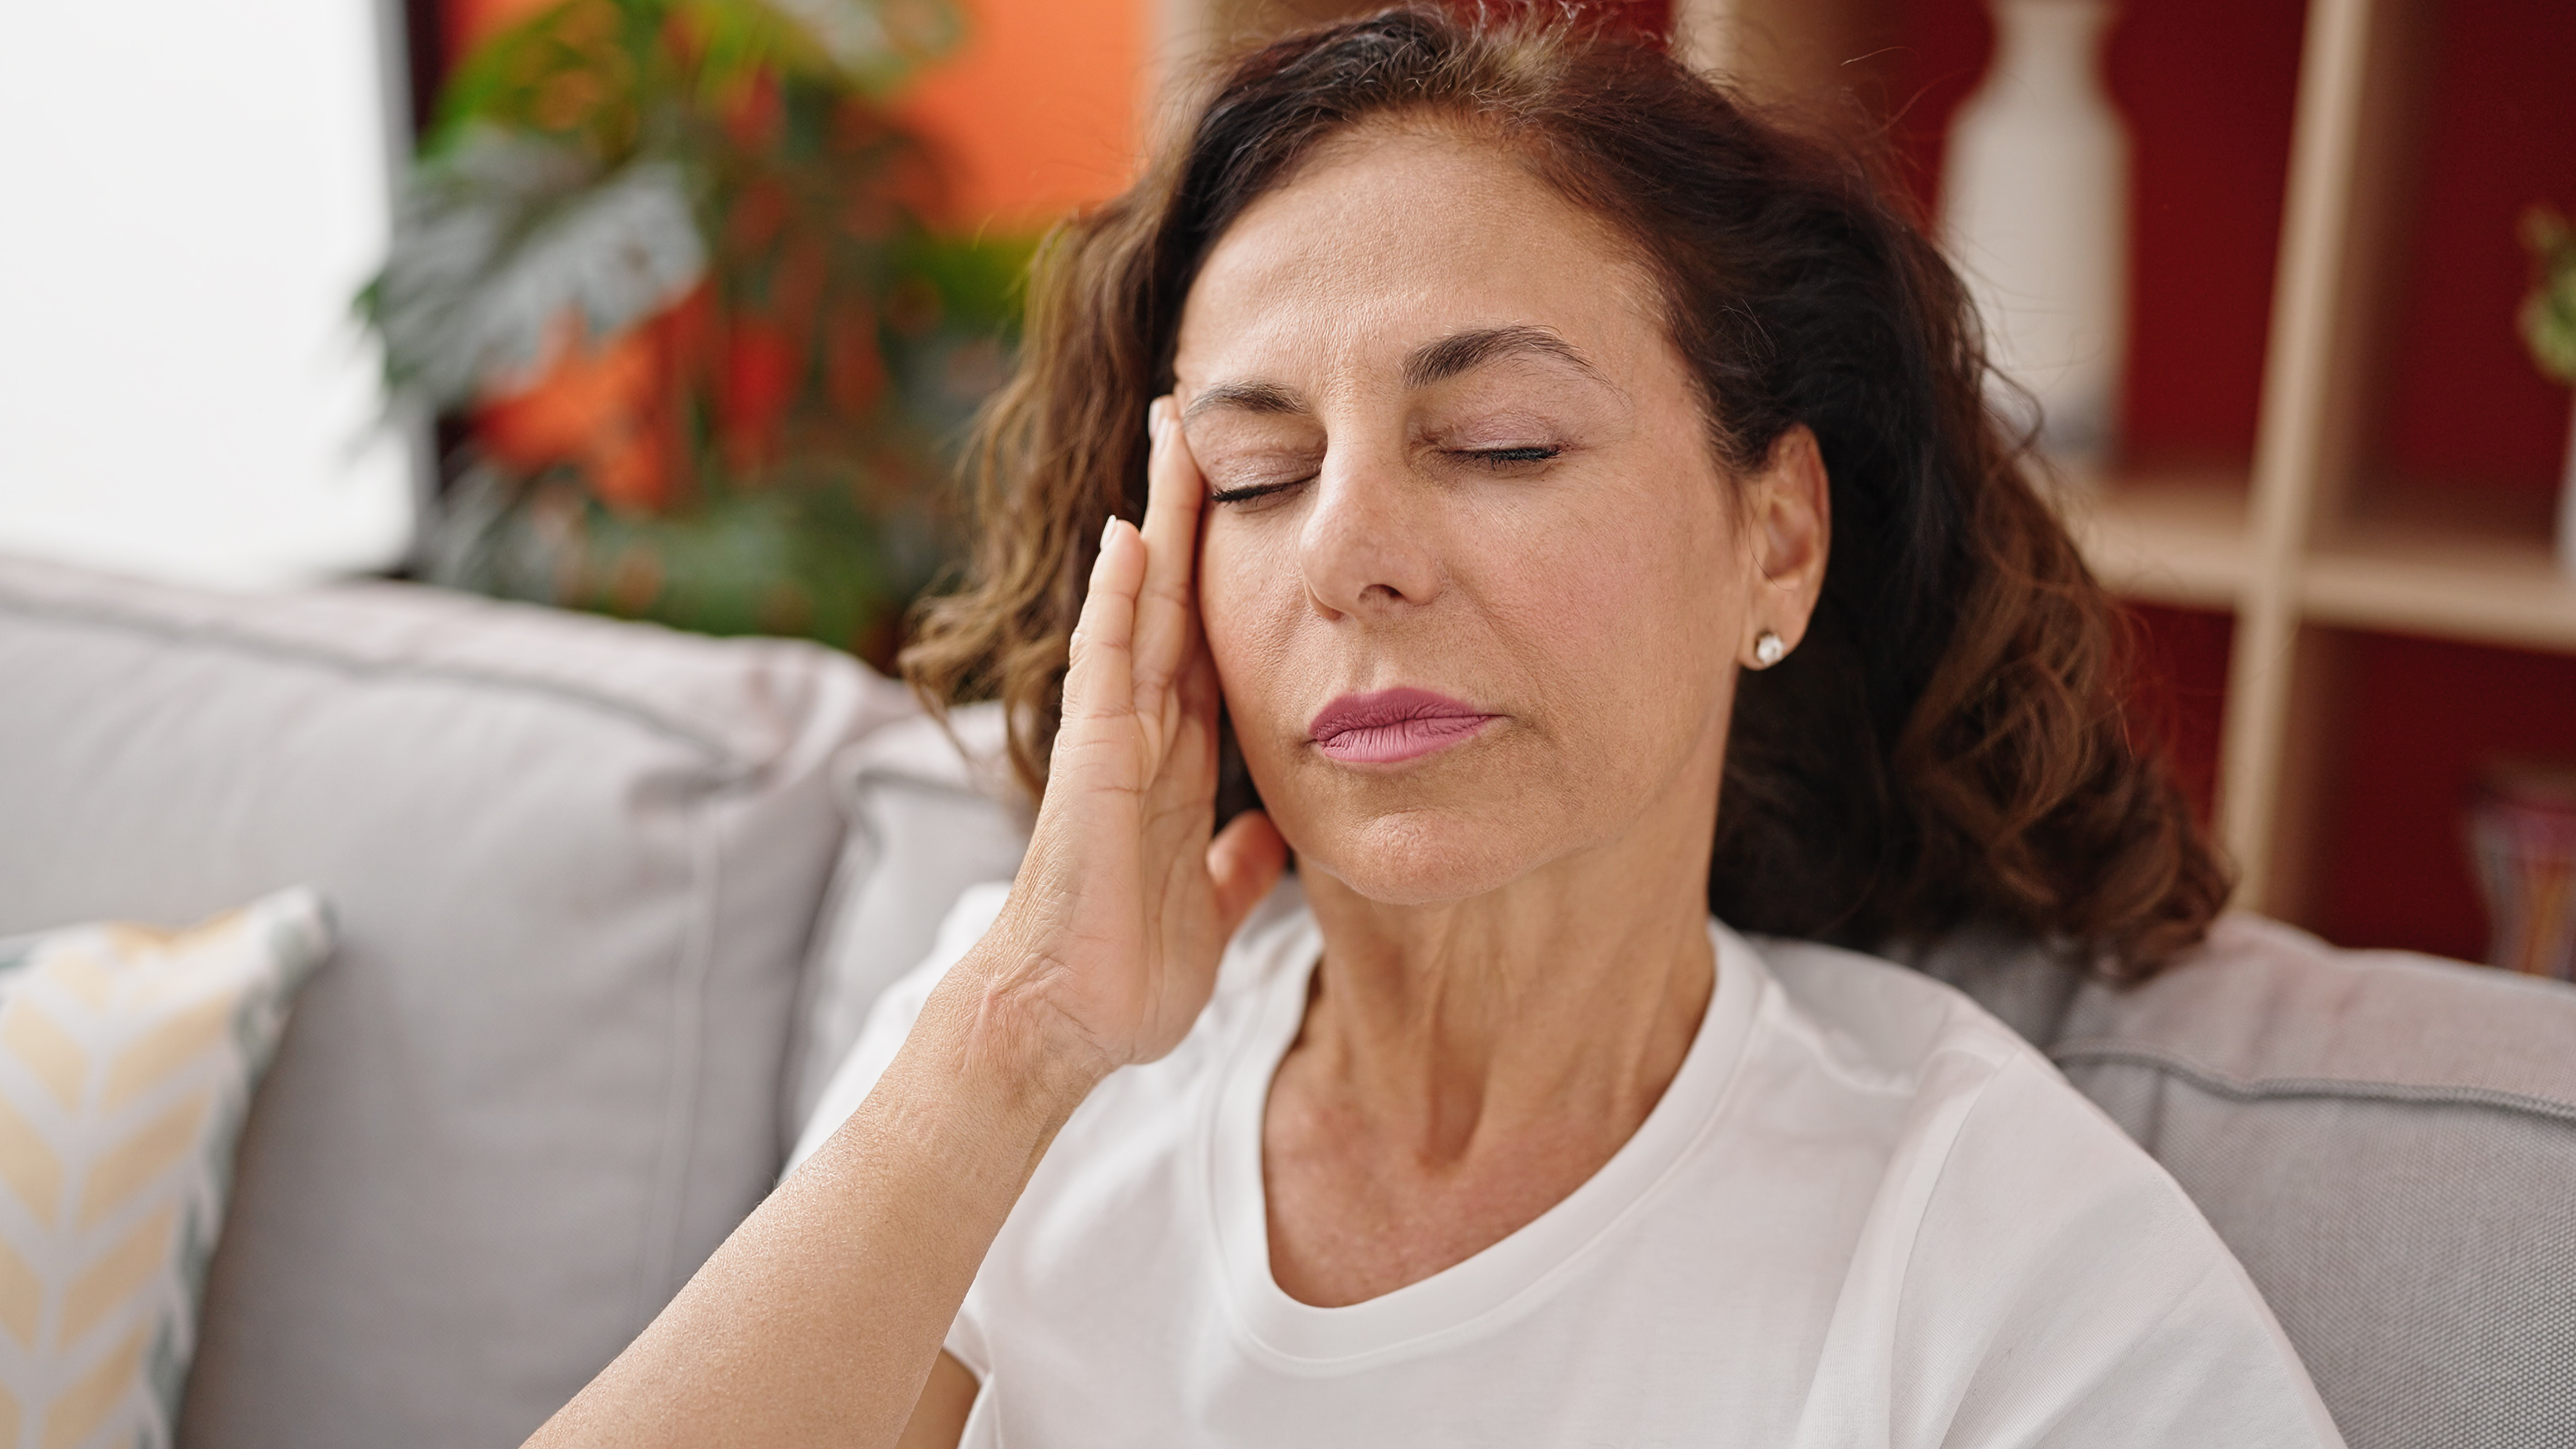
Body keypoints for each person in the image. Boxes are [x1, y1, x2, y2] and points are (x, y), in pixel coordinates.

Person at [527, 9, 2345, 1446]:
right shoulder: (1010, 1067)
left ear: (1774, 533)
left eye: (1500, 445)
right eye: (1255, 473)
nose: (1348, 555)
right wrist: (1019, 1040)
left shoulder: (1983, 1241)